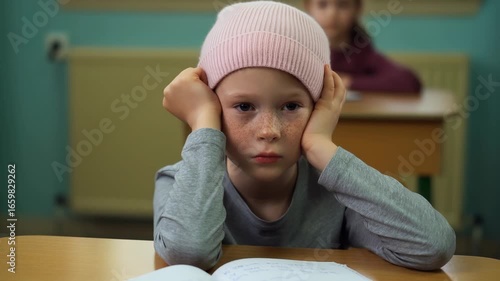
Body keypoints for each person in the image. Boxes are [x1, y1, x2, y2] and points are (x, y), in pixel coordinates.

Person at [154, 1, 455, 272]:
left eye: (291, 106)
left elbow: (433, 246)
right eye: (244, 106)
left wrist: (320, 146)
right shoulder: (178, 182)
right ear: (213, 107)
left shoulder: (339, 191)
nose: (269, 131)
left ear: (318, 108)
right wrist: (204, 126)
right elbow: (188, 255)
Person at [305, 0, 422, 93]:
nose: (332, 14)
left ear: (357, 8)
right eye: (322, 4)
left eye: (343, 5)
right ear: (308, 7)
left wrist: (348, 82)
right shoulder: (301, 49)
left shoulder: (362, 52)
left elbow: (409, 82)